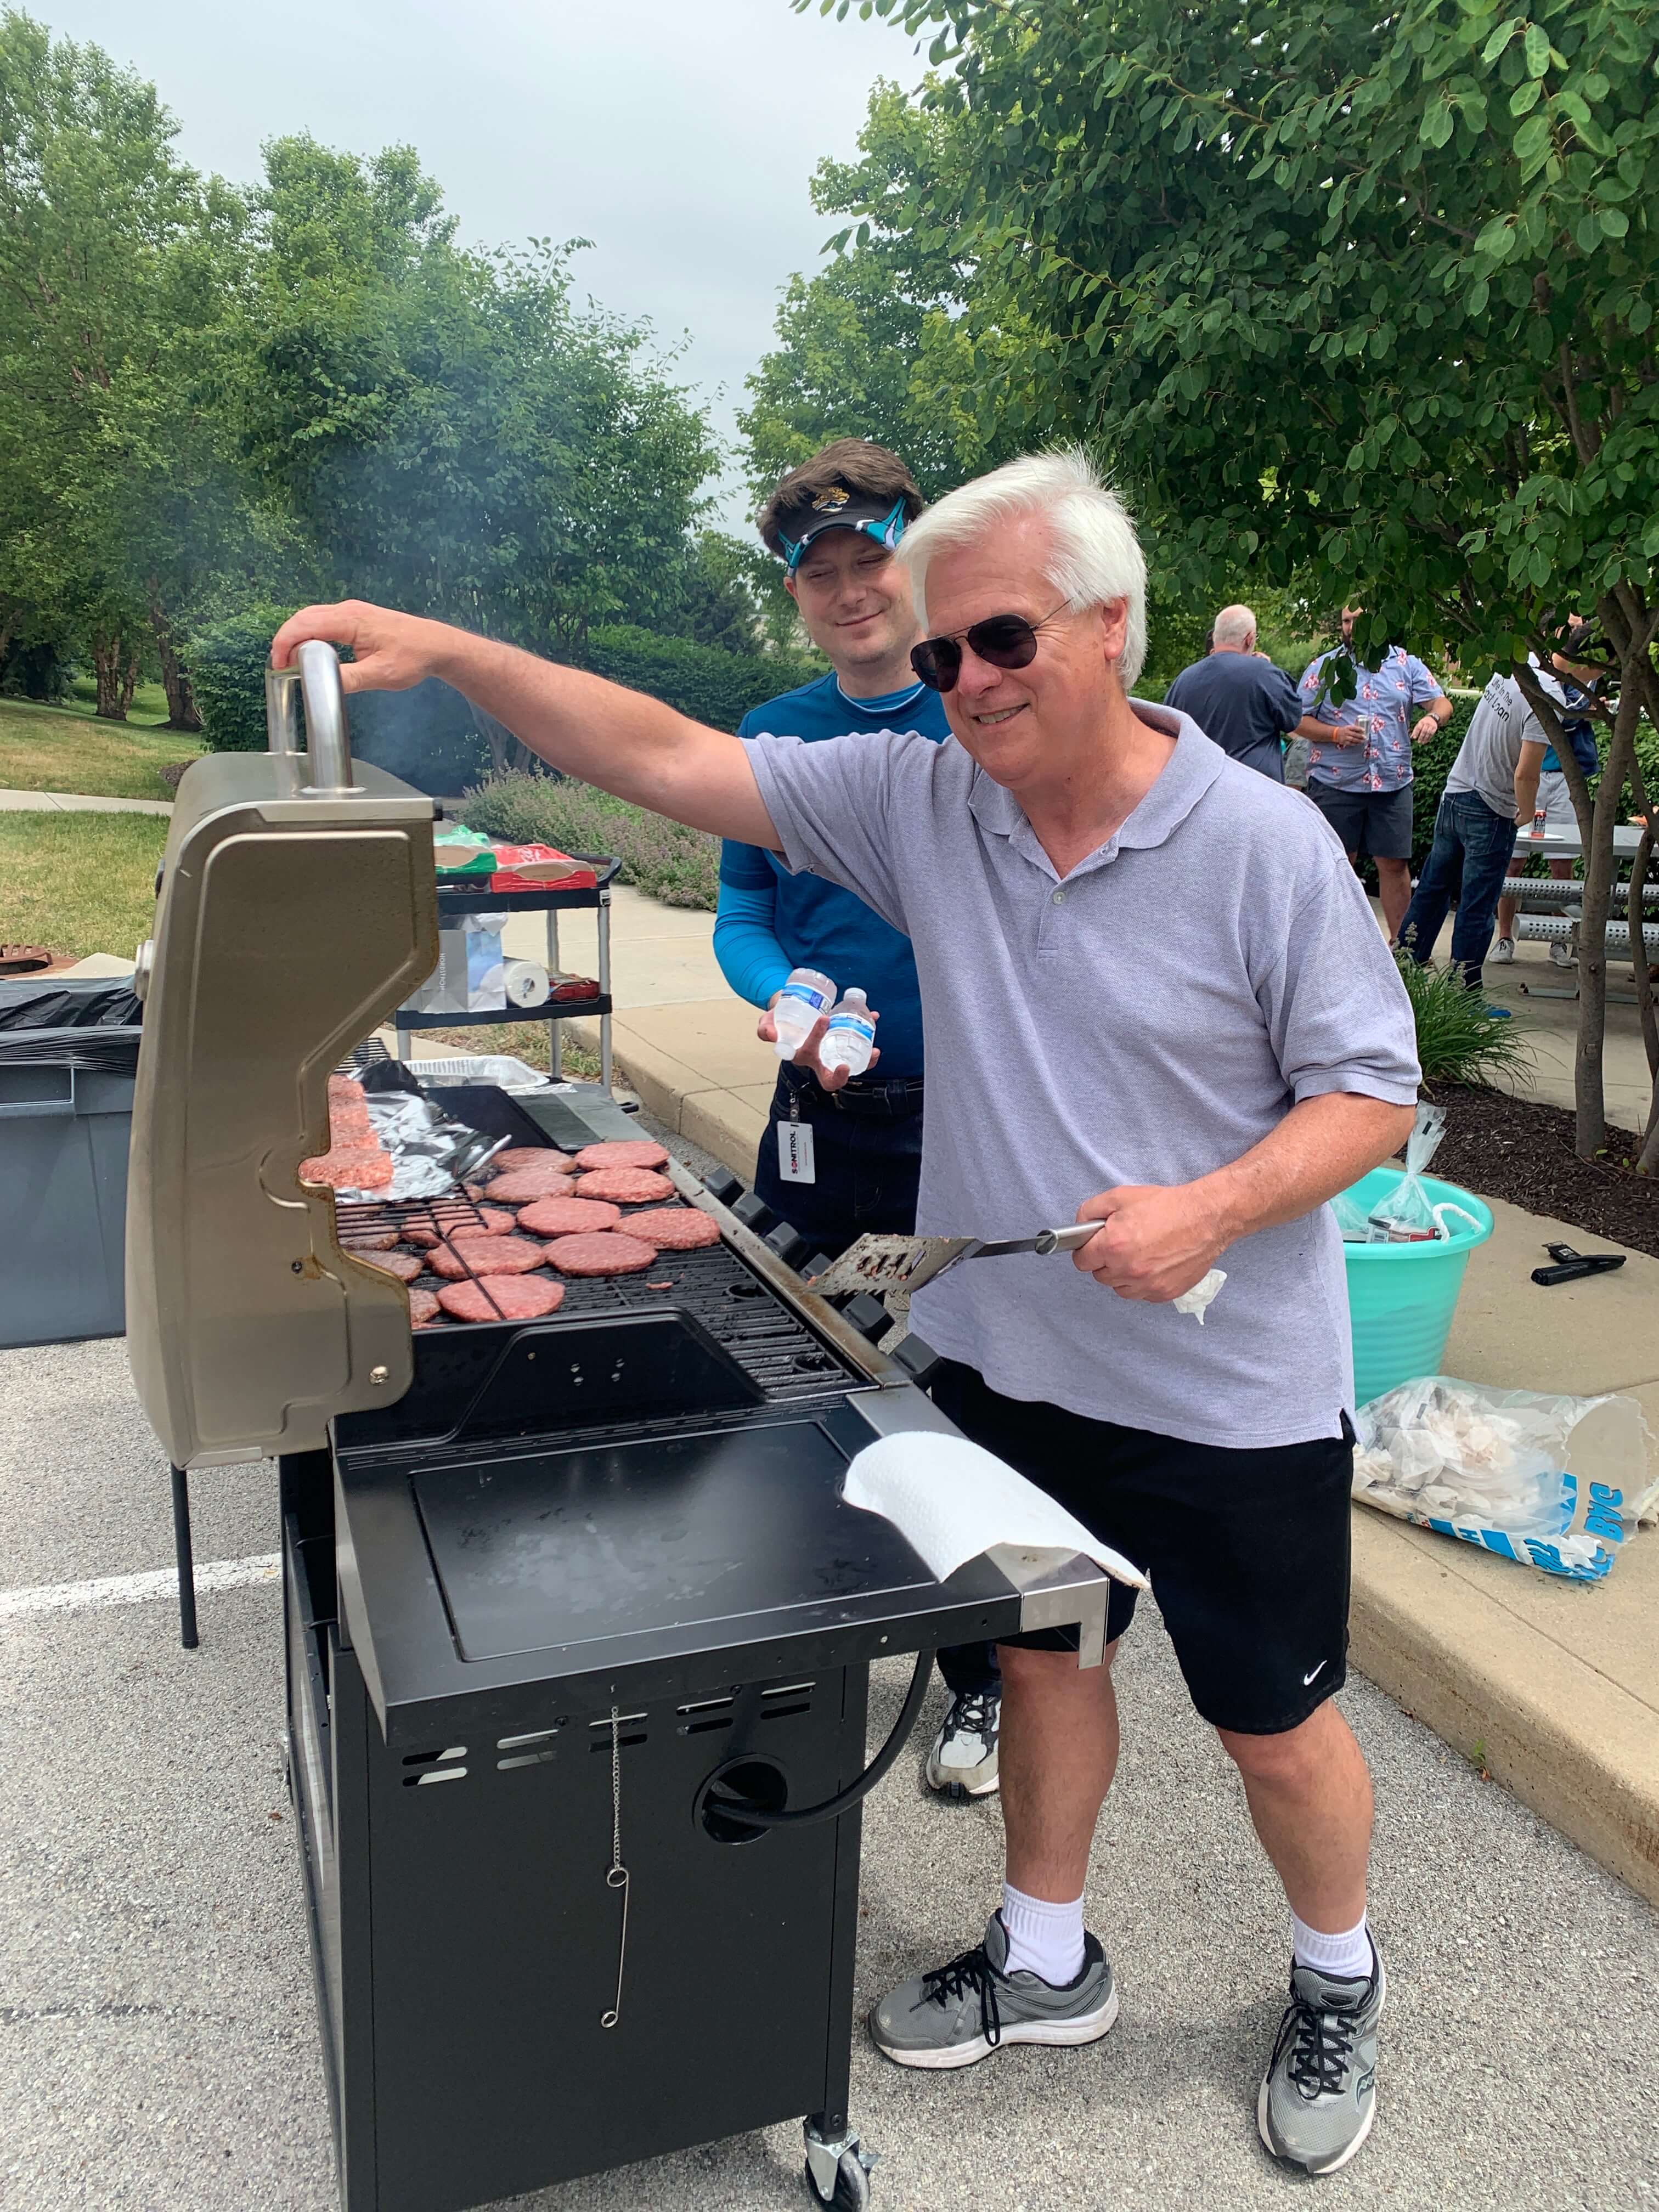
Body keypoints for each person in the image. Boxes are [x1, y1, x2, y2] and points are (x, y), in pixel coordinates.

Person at [272, 447, 1419, 2179]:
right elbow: (666, 758)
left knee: (1268, 1718)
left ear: (1113, 629)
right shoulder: (928, 799)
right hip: (1024, 1357)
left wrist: (1211, 1206)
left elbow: (1372, 1097)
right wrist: (460, 649)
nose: (967, 682)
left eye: (1005, 641)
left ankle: (1340, 1975)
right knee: (1042, 1659)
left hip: (1226, 1389)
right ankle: (1049, 1959)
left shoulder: (1261, 845)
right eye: (946, 653)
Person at [715, 436, 1003, 1803]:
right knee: (807, 1355)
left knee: (954, 1382)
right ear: (795, 592)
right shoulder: (771, 732)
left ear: (914, 557)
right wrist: (784, 1005)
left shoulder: (978, 713)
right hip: (819, 1110)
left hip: (970, 1116)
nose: (847, 591)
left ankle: (982, 1682)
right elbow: (744, 913)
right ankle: (805, 1633)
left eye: (869, 561)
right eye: (818, 574)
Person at [1396, 661, 1551, 997]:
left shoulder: (1511, 668)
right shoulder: (1545, 695)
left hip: (1456, 792)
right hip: (1492, 808)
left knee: (1433, 890)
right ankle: (1464, 997)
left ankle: (1400, 977)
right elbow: (1525, 774)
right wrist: (1525, 813)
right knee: (1477, 907)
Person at [1299, 608, 1454, 940]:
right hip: (1336, 782)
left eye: (1358, 620)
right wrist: (1335, 735)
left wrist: (1433, 720)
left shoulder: (1406, 664)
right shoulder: (1326, 668)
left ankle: (1403, 953)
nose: (1350, 627)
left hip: (1392, 781)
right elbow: (1297, 720)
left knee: (1395, 865)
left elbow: (1442, 703)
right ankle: (1332, 946)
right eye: (1345, 621)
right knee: (1336, 866)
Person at [1493, 626, 1602, 970]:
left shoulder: (1590, 668)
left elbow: (1574, 714)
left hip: (1568, 781)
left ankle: (1561, 942)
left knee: (1562, 864)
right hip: (1531, 777)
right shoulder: (1533, 668)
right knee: (1513, 862)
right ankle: (1505, 938)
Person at [1164, 603, 1338, 783]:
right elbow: (1293, 719)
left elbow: (1166, 734)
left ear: (1216, 637)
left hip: (1200, 787)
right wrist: (1268, 668)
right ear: (1250, 639)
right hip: (1256, 788)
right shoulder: (1266, 675)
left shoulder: (1183, 680)